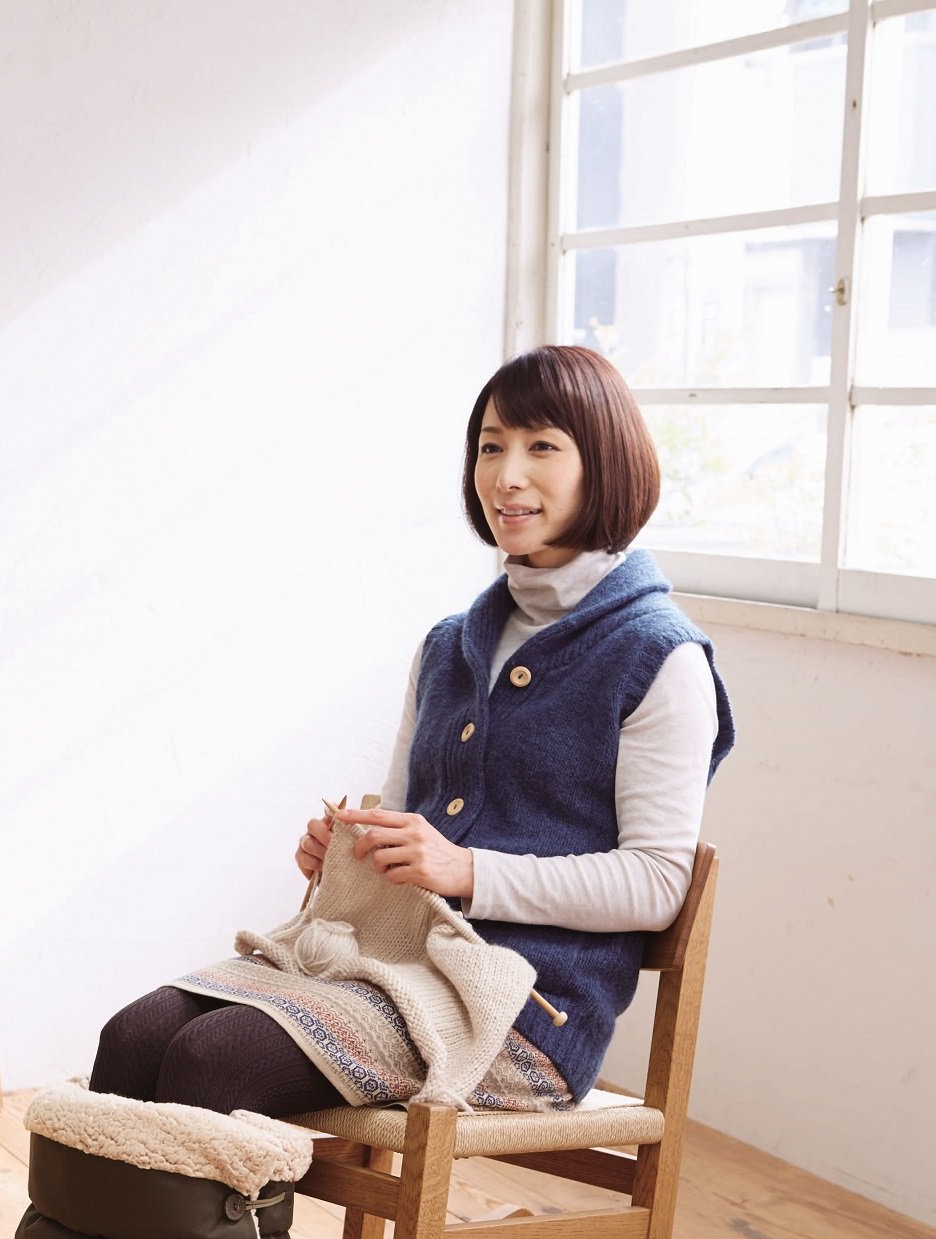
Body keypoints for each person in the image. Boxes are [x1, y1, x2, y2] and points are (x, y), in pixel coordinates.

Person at [89, 344, 733, 1117]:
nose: (506, 475)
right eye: (490, 447)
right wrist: (348, 857)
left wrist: (466, 869)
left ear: (606, 463)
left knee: (216, 1059)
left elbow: (658, 883)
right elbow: (402, 828)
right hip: (381, 964)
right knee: (133, 1035)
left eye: (541, 447)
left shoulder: (660, 655)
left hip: (521, 1014)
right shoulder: (448, 645)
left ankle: (237, 1205)